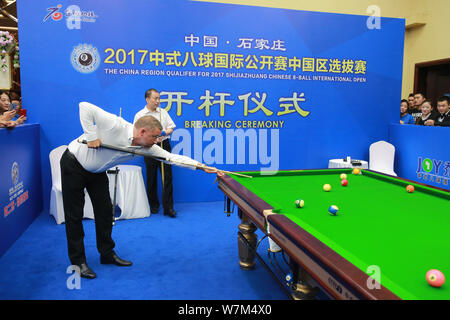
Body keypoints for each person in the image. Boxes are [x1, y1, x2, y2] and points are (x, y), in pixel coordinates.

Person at [61, 101, 220, 279]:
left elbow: (170, 157)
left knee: (105, 212)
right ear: (142, 132)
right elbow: (85, 107)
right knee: (74, 215)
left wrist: (200, 166)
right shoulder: (116, 125)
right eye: (154, 137)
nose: (156, 142)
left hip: (97, 172)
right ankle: (78, 261)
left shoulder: (148, 146)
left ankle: (107, 253)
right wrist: (91, 136)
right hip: (74, 164)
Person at [134, 88, 177, 217]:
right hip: (148, 147)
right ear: (147, 99)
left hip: (163, 145)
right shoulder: (140, 115)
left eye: (159, 98)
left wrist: (164, 132)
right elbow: (136, 133)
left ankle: (168, 207)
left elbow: (171, 128)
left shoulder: (163, 113)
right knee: (151, 177)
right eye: (155, 98)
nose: (158, 101)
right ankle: (153, 205)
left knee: (167, 177)